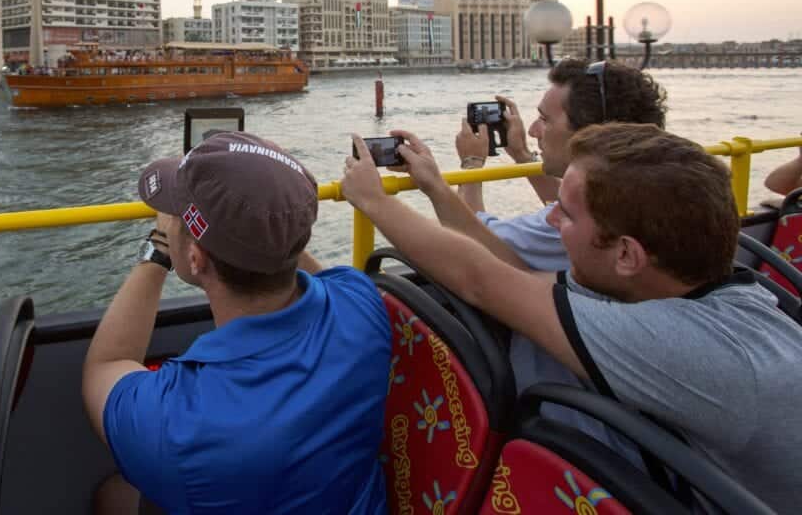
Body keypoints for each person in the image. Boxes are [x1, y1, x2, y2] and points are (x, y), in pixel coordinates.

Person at [343, 124, 802, 513]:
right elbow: (511, 275)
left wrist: (376, 203)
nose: (550, 220)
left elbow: (480, 281)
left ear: (626, 253)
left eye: (566, 213)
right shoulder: (691, 287)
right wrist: (436, 186)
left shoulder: (689, 348)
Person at [82, 131, 391, 514]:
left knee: (112, 496)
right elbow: (299, 263)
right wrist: (264, 217)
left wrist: (158, 250)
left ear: (196, 258)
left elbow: (106, 367)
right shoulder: (363, 305)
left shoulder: (180, 424)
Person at [401, 60, 668, 453]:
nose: (534, 128)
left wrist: (462, 170)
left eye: (545, 120)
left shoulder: (572, 227)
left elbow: (471, 246)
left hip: (568, 438)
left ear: (589, 136)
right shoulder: (659, 191)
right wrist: (523, 153)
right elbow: (571, 205)